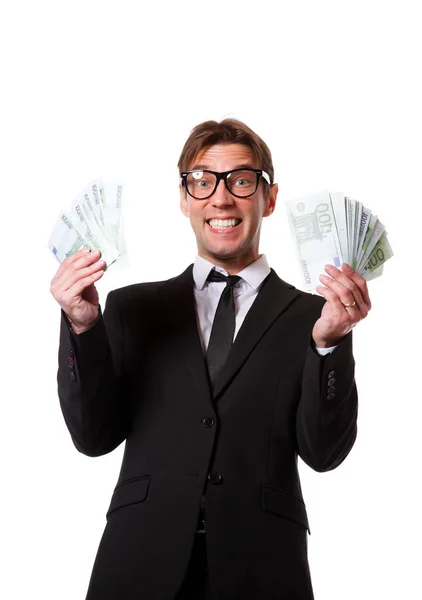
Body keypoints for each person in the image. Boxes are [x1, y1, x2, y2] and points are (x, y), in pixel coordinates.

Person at [50, 118, 371, 600]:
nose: (221, 199)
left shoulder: (315, 315)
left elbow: (324, 453)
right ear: (184, 199)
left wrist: (328, 344)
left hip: (262, 566)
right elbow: (93, 438)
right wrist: (82, 327)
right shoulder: (130, 308)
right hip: (139, 562)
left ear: (270, 197)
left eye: (241, 181)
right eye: (201, 182)